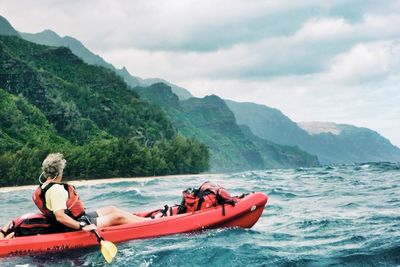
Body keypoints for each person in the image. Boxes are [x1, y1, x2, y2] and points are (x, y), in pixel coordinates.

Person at [32, 153, 149, 233]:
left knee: (111, 209)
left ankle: (145, 221)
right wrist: (82, 226)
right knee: (118, 217)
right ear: (59, 172)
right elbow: (60, 217)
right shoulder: (56, 190)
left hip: (76, 219)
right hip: (72, 225)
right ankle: (150, 224)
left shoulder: (44, 186)